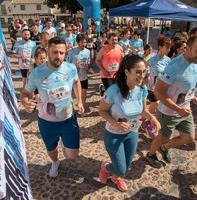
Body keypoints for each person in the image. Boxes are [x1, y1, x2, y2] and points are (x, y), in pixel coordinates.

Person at [20, 37, 84, 178]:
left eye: (61, 53)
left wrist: (79, 101)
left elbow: (76, 81)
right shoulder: (37, 73)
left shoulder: (71, 68)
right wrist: (25, 103)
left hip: (68, 119)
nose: (58, 56)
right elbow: (24, 93)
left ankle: (64, 144)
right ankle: (55, 162)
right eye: (55, 52)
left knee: (72, 155)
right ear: (48, 50)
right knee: (52, 150)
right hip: (47, 122)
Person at [98, 54, 161, 191]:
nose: (142, 75)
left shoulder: (142, 89)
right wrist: (116, 123)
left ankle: (115, 177)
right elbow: (101, 110)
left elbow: (143, 109)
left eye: (144, 71)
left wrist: (152, 118)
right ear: (127, 72)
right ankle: (105, 167)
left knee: (125, 166)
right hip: (114, 135)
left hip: (132, 132)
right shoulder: (113, 91)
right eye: (138, 72)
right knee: (120, 169)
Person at [146, 35, 197, 169]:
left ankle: (164, 148)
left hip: (185, 108)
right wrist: (178, 109)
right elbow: (158, 92)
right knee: (163, 136)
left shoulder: (196, 62)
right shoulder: (174, 67)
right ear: (187, 48)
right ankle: (151, 154)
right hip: (168, 112)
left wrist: (192, 95)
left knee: (189, 137)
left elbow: (188, 83)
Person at [67, 33, 90, 108]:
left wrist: (88, 66)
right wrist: (74, 66)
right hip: (74, 77)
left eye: (85, 42)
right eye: (82, 42)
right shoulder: (72, 52)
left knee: (84, 93)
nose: (83, 44)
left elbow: (89, 62)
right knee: (75, 94)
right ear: (78, 42)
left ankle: (82, 107)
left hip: (83, 76)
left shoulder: (87, 52)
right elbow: (67, 65)